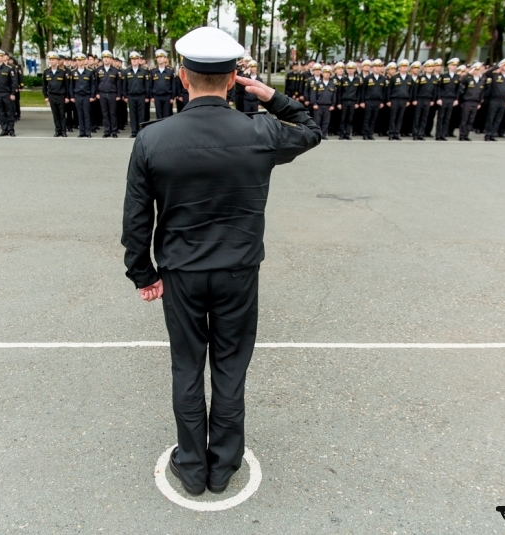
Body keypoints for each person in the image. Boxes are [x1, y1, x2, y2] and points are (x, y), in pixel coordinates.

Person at [121, 26, 320, 498]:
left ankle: (192, 467)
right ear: (233, 79)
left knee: (187, 366)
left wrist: (142, 273)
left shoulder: (153, 138)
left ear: (182, 77)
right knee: (230, 366)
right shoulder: (260, 130)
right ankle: (223, 463)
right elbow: (312, 130)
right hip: (237, 271)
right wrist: (273, 96)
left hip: (182, 272)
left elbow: (135, 216)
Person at [483, 58, 505, 141]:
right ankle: (488, 134)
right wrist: (497, 66)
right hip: (494, 99)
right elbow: (487, 73)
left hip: (503, 101)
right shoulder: (495, 75)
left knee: (498, 119)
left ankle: (493, 133)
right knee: (491, 117)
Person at [42, 50, 70, 137]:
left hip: (61, 95)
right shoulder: (46, 72)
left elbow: (67, 85)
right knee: (55, 114)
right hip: (52, 95)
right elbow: (44, 85)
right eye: (50, 60)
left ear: (57, 61)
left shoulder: (62, 72)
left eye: (54, 59)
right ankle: (57, 130)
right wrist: (46, 96)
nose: (52, 61)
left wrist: (67, 97)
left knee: (62, 114)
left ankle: (63, 131)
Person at [95, 50, 122, 137]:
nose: (106, 59)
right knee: (105, 113)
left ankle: (114, 131)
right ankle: (107, 131)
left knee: (113, 113)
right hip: (102, 94)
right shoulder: (98, 70)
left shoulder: (115, 71)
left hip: (112, 94)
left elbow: (118, 84)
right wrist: (97, 93)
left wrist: (118, 95)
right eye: (104, 58)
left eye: (107, 58)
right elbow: (96, 83)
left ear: (111, 59)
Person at [69, 53, 96, 138]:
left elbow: (92, 85)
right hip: (77, 95)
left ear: (84, 61)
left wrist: (92, 96)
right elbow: (71, 85)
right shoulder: (73, 73)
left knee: (87, 114)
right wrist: (72, 96)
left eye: (81, 60)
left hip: (86, 95)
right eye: (78, 60)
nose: (79, 62)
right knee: (79, 114)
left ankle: (88, 132)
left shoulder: (89, 72)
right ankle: (82, 132)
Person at [360, 59, 387, 140]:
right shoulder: (368, 78)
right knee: (367, 118)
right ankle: (365, 133)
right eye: (375, 67)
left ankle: (370, 133)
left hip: (378, 101)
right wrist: (362, 101)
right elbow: (363, 90)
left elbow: (384, 91)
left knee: (373, 118)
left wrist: (382, 102)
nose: (377, 68)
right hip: (368, 100)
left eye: (379, 67)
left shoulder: (383, 79)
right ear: (372, 68)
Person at [307, 64, 336, 139]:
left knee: (326, 121)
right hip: (318, 105)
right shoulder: (317, 84)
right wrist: (314, 103)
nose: (326, 74)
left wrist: (333, 105)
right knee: (317, 121)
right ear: (322, 74)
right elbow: (313, 94)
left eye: (328, 73)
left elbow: (334, 96)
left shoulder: (332, 85)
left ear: (330, 74)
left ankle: (323, 134)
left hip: (328, 106)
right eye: (325, 73)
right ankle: (317, 134)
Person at [123, 51, 149, 137]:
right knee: (132, 114)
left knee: (141, 114)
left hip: (141, 95)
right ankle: (134, 131)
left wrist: (147, 96)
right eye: (132, 59)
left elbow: (146, 84)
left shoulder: (143, 71)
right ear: (131, 60)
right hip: (131, 96)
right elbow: (124, 84)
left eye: (136, 59)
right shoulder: (127, 71)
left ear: (139, 60)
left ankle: (140, 132)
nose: (134, 61)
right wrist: (125, 95)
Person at [458, 62, 485, 141]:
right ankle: (462, 135)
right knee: (465, 119)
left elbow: (482, 92)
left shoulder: (481, 80)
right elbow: (462, 81)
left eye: (478, 70)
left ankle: (466, 134)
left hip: (476, 102)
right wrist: (469, 74)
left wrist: (480, 102)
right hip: (467, 101)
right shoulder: (468, 78)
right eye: (475, 70)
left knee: (471, 120)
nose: (477, 71)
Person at [386, 59, 412, 140]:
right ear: (399, 68)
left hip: (404, 100)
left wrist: (409, 100)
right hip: (395, 99)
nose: (404, 68)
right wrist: (388, 100)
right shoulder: (394, 77)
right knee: (393, 117)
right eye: (402, 66)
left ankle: (397, 133)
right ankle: (391, 133)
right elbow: (389, 90)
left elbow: (411, 90)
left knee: (400, 118)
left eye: (405, 67)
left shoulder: (409, 78)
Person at [435, 58, 460, 141]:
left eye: (455, 66)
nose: (454, 67)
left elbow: (457, 89)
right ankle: (438, 134)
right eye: (452, 65)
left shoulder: (457, 77)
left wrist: (456, 99)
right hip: (443, 98)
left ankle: (443, 134)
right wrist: (439, 98)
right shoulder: (443, 76)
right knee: (441, 117)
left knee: (447, 118)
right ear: (449, 66)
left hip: (451, 99)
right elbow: (438, 88)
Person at [412, 59, 437, 140]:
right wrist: (415, 99)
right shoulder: (420, 77)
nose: (430, 68)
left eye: (432, 66)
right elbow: (415, 89)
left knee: (424, 118)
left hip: (428, 99)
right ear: (424, 68)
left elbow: (435, 90)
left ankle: (421, 134)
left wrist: (433, 100)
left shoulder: (434, 78)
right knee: (417, 117)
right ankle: (415, 134)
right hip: (420, 99)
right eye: (428, 66)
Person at [149, 49, 175, 119]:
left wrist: (172, 97)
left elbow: (173, 85)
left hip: (167, 96)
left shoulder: (170, 71)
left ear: (165, 58)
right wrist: (151, 96)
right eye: (158, 57)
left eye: (161, 57)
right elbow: (150, 85)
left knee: (167, 115)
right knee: (159, 114)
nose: (159, 59)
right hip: (157, 96)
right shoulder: (153, 71)